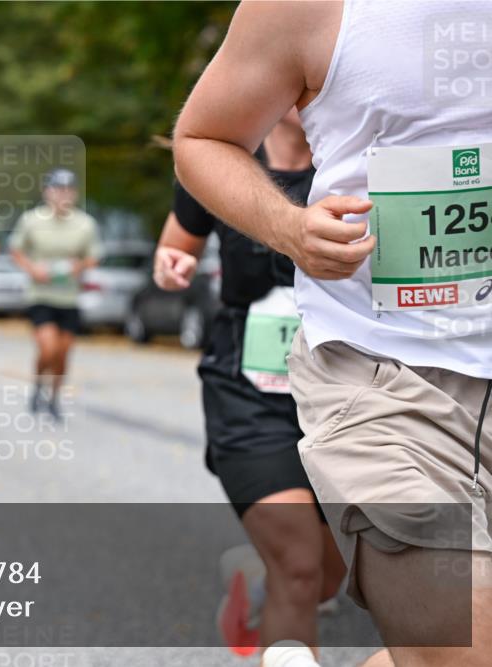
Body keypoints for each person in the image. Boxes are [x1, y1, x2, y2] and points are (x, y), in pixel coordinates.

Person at [173, 2, 490, 666]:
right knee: (455, 640)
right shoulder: (305, 9)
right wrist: (290, 230)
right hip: (380, 381)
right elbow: (202, 140)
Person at [156, 112, 345, 657]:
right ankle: (278, 579)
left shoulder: (356, 165)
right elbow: (175, 250)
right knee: (301, 565)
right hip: (247, 392)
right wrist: (171, 266)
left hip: (341, 395)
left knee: (330, 577)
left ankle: (257, 584)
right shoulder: (220, 162)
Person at [10, 169, 101, 419]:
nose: (63, 195)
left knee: (63, 353)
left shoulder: (85, 224)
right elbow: (16, 250)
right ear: (47, 192)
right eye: (58, 189)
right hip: (40, 294)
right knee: (47, 346)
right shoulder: (32, 221)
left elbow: (93, 257)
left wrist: (77, 266)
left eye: (68, 190)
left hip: (69, 297)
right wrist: (32, 269)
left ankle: (54, 397)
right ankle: (38, 383)